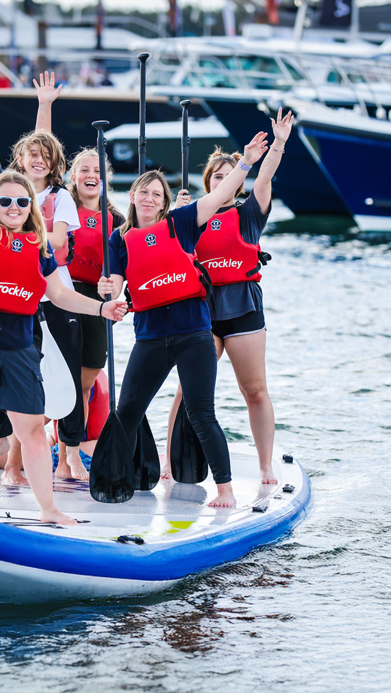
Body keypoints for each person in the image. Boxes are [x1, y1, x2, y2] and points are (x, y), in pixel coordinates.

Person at [0, 102, 127, 526]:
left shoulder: (40, 245)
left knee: (32, 429)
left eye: (20, 201)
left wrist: (102, 307)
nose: (13, 207)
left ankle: (49, 510)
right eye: (5, 200)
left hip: (17, 346)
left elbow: (61, 295)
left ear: (29, 207)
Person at [97, 130, 268, 508]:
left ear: (164, 204)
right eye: (144, 192)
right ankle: (116, 476)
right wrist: (110, 291)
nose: (149, 198)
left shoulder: (183, 223)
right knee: (127, 411)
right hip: (152, 338)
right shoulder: (119, 240)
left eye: (157, 194)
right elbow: (118, 283)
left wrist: (246, 163)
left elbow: (222, 195)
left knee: (201, 413)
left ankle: (225, 490)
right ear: (133, 196)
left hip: (194, 335)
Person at [166, 109, 294, 485]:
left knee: (253, 389)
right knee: (187, 389)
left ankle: (265, 465)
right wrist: (177, 215)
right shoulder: (191, 216)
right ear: (209, 183)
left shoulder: (251, 210)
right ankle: (168, 462)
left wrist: (280, 143)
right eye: (217, 177)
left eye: (229, 175)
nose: (224, 180)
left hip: (242, 308)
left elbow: (266, 174)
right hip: (202, 311)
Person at [0, 76, 83, 485]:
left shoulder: (57, 197)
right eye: (30, 156)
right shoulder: (9, 192)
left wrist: (16, 231)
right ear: (19, 159)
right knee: (9, 372)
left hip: (53, 297)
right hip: (16, 299)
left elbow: (55, 240)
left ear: (54, 165)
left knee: (55, 374)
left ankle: (62, 453)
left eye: (45, 158)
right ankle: (2, 444)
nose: (38, 161)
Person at [51, 145, 126, 479]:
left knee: (86, 378)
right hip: (63, 292)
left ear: (106, 177)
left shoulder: (119, 221)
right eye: (84, 170)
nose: (91, 176)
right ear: (72, 176)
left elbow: (130, 262)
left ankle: (71, 451)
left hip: (97, 300)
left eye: (98, 171)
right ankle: (65, 456)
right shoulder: (60, 207)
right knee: (60, 378)